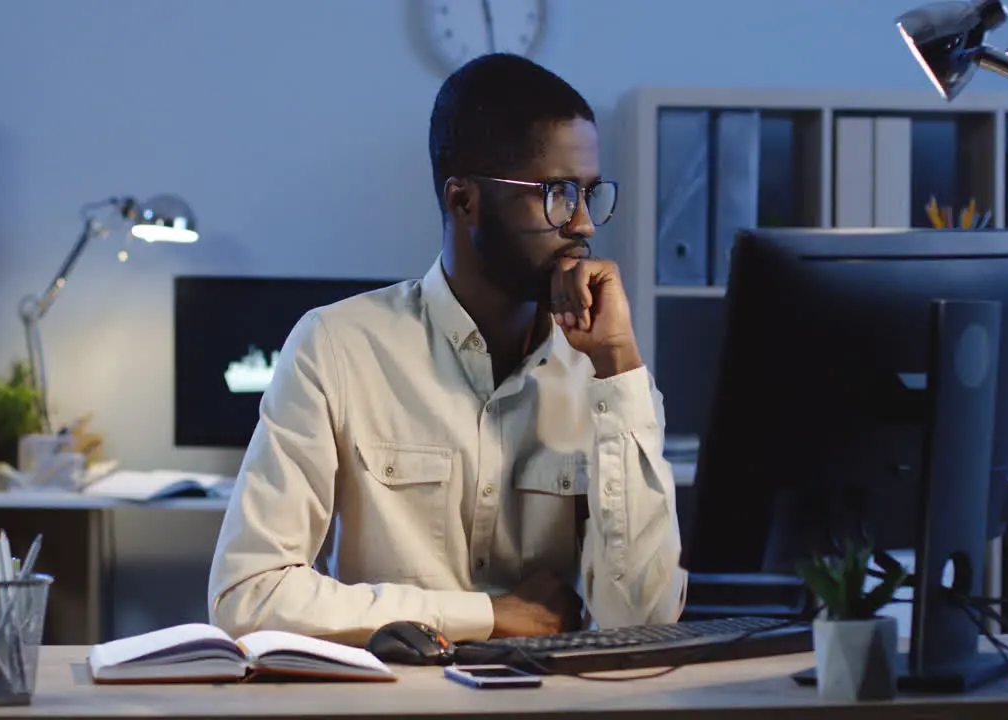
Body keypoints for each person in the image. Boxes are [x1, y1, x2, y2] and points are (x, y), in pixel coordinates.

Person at [207, 53, 687, 646]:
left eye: (590, 194)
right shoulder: (337, 346)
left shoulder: (601, 370)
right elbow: (247, 595)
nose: (585, 223)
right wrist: (487, 616)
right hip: (393, 706)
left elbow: (641, 621)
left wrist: (620, 368)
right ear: (465, 201)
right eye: (558, 194)